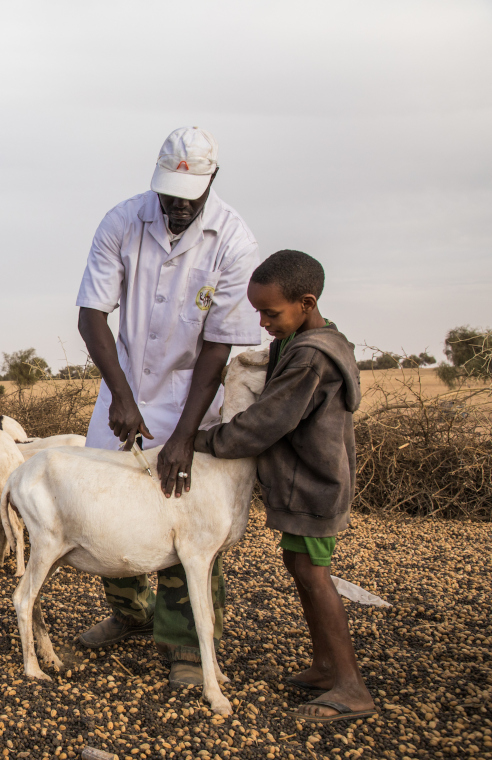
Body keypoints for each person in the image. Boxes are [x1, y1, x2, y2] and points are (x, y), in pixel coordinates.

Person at [74, 127, 261, 685]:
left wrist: (182, 435)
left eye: (189, 195)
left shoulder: (234, 240)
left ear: (211, 182)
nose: (177, 206)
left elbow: (219, 344)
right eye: (169, 194)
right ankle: (130, 612)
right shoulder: (123, 221)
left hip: (190, 395)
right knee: (105, 505)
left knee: (187, 515)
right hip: (123, 385)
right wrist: (123, 396)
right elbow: (91, 316)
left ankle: (183, 641)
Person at [194, 249, 376, 723]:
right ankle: (323, 666)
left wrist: (200, 441)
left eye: (270, 313)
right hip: (305, 482)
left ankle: (351, 687)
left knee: (315, 577)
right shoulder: (300, 342)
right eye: (258, 312)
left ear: (306, 302)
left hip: (315, 485)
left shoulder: (312, 358)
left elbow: (266, 423)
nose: (263, 322)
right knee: (300, 567)